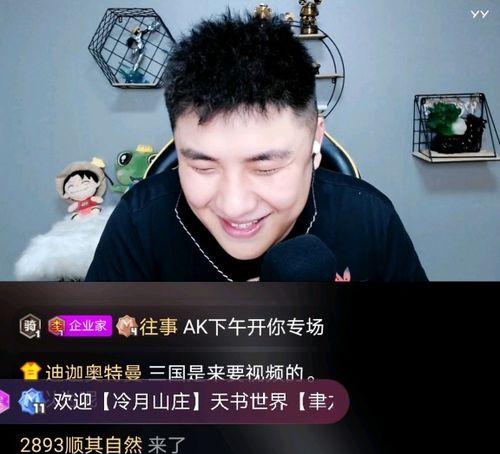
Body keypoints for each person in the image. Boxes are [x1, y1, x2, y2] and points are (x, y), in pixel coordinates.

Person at [86, 11, 427, 282]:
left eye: (266, 168)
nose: (234, 206)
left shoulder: (368, 219)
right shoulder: (140, 222)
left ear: (316, 140)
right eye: (202, 167)